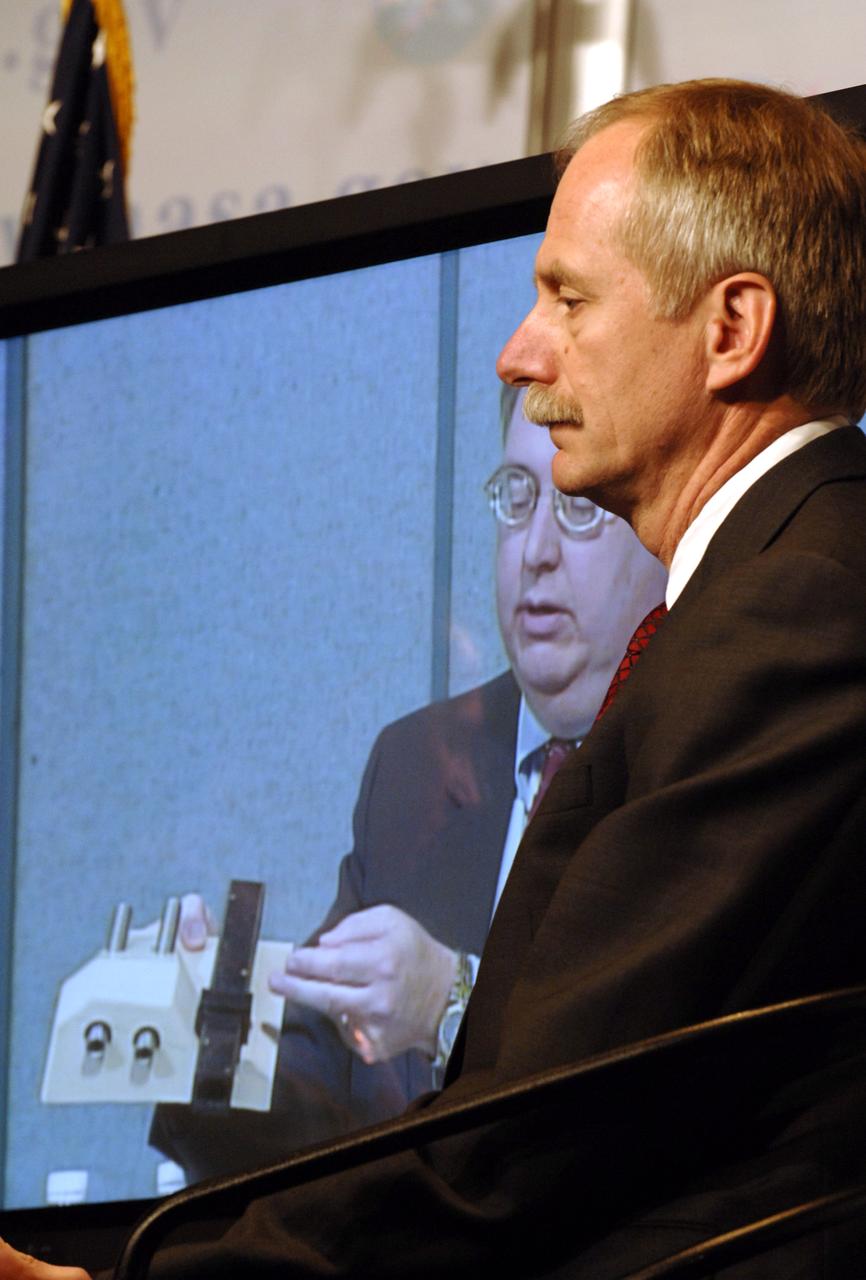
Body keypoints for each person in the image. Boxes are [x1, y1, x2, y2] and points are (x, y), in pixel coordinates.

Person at [4, 75, 866, 1280]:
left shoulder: (799, 603)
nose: (520, 351)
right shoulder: (753, 600)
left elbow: (540, 1127)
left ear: (729, 328)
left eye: (566, 297)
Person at [149, 387, 667, 1180]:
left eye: (577, 508)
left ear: (661, 530)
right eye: (517, 499)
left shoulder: (695, 749)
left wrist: (450, 1003)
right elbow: (324, 1097)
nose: (534, 550)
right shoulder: (419, 762)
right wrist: (212, 1027)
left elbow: (647, 1087)